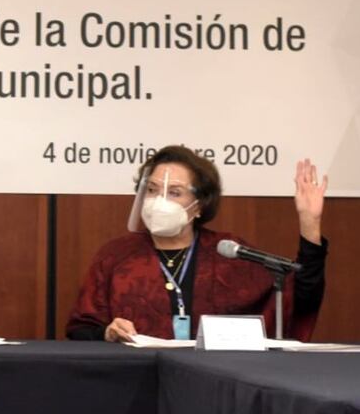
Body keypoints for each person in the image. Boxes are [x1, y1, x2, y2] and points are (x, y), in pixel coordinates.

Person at [66, 145, 328, 342]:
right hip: (134, 386)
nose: (159, 200)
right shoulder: (117, 256)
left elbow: (300, 296)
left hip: (213, 386)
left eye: (174, 192)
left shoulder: (228, 252)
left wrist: (309, 222)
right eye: (152, 190)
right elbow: (80, 329)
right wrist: (107, 333)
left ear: (200, 204)